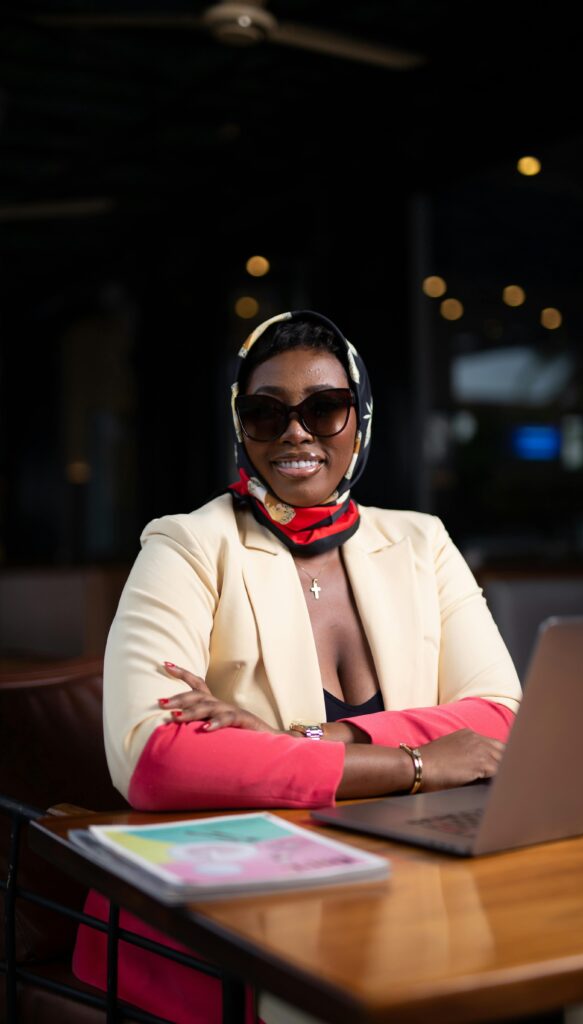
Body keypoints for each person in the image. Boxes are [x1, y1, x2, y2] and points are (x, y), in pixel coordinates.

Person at [73, 309, 522, 1024]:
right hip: (226, 906)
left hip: (406, 876)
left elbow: (499, 716)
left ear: (361, 418)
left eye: (325, 408)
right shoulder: (186, 545)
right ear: (240, 426)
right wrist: (416, 764)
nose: (295, 433)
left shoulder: (420, 542)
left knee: (572, 995)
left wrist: (301, 743)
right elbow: (153, 760)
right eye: (265, 413)